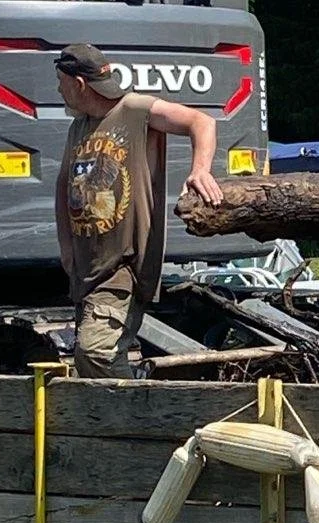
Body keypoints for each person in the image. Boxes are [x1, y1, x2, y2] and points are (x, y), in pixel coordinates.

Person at [54, 42, 224, 377]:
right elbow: (64, 190)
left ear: (79, 85)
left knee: (96, 352)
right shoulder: (79, 127)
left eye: (61, 84)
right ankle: (120, 423)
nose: (58, 91)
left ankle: (131, 422)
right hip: (88, 267)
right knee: (91, 364)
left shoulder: (135, 110)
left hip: (124, 263)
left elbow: (201, 122)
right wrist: (66, 249)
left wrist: (200, 169)